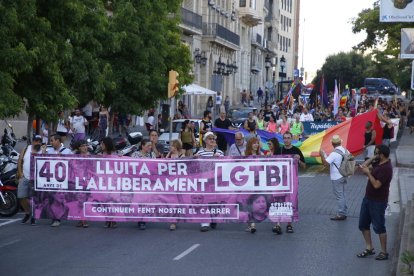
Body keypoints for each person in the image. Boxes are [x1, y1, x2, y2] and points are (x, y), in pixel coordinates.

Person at [357, 145, 393, 261]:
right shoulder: (378, 163)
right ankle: (369, 248)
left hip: (378, 201)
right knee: (363, 224)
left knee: (379, 226)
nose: (375, 155)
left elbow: (377, 185)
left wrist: (368, 174)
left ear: (382, 155)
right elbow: (363, 166)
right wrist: (372, 158)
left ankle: (384, 252)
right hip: (368, 198)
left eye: (377, 153)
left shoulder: (386, 168)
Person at [272, 131, 306, 234]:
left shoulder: (296, 150)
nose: (286, 140)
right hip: (280, 181)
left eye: (288, 138)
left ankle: (289, 224)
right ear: (283, 139)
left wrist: (299, 160)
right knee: (278, 201)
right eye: (285, 138)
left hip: (292, 181)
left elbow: (304, 166)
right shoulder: (279, 150)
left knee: (290, 202)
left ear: (292, 139)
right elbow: (272, 164)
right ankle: (277, 224)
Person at [195, 132, 224, 232]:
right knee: (203, 201)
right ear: (205, 141)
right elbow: (193, 166)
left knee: (214, 202)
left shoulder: (219, 152)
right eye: (210, 138)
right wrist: (194, 159)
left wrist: (219, 159)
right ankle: (204, 223)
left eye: (213, 139)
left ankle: (213, 217)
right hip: (203, 181)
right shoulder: (200, 153)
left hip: (215, 181)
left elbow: (225, 165)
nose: (212, 140)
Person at [319, 135, 349, 221]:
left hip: (336, 177)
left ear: (332, 143)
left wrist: (322, 155)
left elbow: (325, 164)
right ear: (340, 142)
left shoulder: (334, 153)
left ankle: (341, 214)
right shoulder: (345, 150)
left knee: (339, 195)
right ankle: (344, 211)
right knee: (343, 194)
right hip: (344, 174)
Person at [17, 135, 43, 225]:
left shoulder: (42, 151)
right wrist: (20, 173)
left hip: (36, 178)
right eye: (36, 141)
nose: (38, 143)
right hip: (25, 177)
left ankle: (34, 216)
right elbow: (20, 160)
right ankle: (27, 212)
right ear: (32, 141)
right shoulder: (26, 149)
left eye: (40, 141)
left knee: (34, 198)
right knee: (21, 196)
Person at [165, 139, 184, 230]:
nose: (170, 147)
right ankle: (172, 220)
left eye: (172, 146)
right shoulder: (169, 155)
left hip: (178, 181)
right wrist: (168, 154)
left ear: (176, 146)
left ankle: (174, 220)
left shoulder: (181, 155)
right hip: (169, 181)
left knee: (176, 202)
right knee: (170, 202)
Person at [99, 137, 118, 228]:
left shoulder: (114, 154)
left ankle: (113, 219)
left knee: (112, 200)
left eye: (102, 144)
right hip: (103, 180)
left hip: (113, 180)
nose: (101, 145)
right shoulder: (100, 154)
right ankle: (107, 219)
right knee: (105, 200)